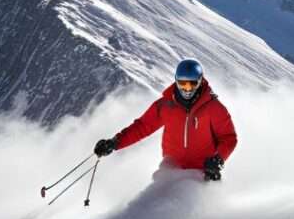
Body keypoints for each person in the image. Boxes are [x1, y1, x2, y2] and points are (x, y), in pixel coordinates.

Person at [94, 59, 237, 181]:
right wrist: (115, 143)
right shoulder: (166, 105)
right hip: (171, 169)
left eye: (192, 84)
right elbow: (143, 126)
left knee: (198, 211)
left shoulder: (213, 107)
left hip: (202, 173)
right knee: (159, 207)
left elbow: (228, 138)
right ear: (176, 81)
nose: (187, 89)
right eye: (182, 84)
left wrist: (218, 159)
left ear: (200, 82)